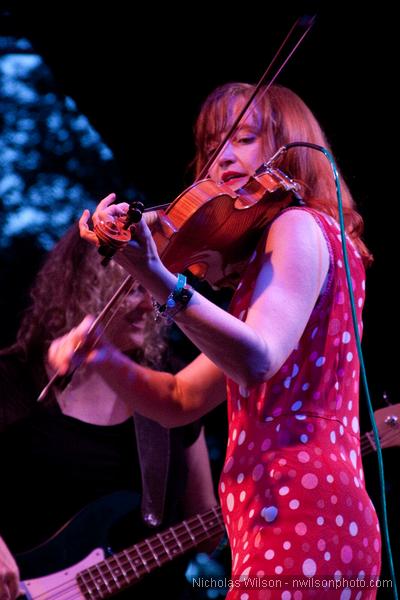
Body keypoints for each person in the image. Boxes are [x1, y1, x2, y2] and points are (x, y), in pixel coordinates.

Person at [48, 83, 381, 599]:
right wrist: (103, 357)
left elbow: (259, 359)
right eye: (210, 146)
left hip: (298, 512)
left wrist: (157, 275)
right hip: (301, 520)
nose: (221, 157)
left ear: (288, 145)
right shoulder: (303, 250)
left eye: (244, 138)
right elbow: (179, 400)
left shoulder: (296, 224)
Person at [0, 225, 217, 600]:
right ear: (83, 287)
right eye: (132, 288)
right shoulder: (12, 377)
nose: (148, 304)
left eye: (154, 289)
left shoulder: (169, 386)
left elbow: (206, 527)